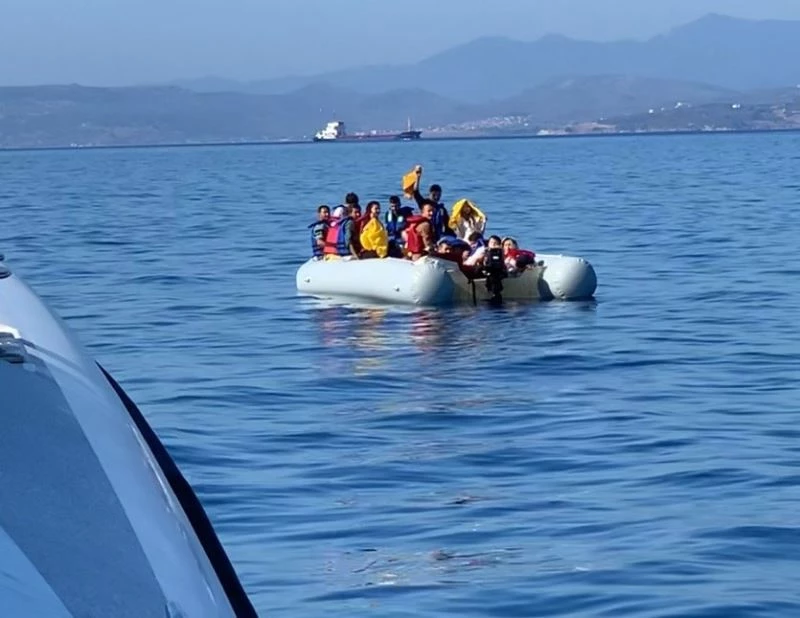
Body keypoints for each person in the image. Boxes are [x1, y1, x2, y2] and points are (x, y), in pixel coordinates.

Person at [411, 165, 454, 240]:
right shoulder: (424, 203)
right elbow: (415, 192)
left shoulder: (442, 210)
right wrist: (418, 177)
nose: (436, 197)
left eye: (438, 195)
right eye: (434, 194)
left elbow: (447, 226)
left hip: (438, 236)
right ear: (429, 193)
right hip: (425, 234)